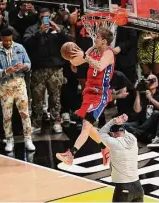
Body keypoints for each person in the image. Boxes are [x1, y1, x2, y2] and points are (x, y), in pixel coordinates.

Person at [56, 27, 114, 165]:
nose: (95, 38)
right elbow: (76, 62)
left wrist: (85, 56)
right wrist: (70, 56)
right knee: (87, 127)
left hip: (100, 94)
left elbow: (100, 66)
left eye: (98, 37)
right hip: (89, 92)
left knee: (86, 126)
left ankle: (71, 155)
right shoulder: (94, 50)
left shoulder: (109, 53)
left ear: (104, 41)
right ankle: (105, 148)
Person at [23, 8, 72, 133]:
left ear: (51, 17)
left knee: (55, 97)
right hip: (38, 69)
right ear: (39, 17)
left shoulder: (58, 27)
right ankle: (36, 123)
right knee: (37, 98)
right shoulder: (32, 29)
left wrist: (59, 30)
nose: (45, 19)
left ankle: (56, 121)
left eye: (47, 17)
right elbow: (26, 44)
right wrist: (39, 33)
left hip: (55, 69)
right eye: (42, 17)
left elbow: (69, 42)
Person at [0, 27, 35, 152]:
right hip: (5, 86)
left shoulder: (19, 48)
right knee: (7, 116)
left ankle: (28, 139)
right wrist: (6, 71)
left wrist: (24, 66)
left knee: (25, 113)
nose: (8, 43)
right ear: (1, 39)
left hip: (20, 84)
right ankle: (9, 140)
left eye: (10, 40)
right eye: (6, 41)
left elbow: (29, 63)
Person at [98, 114, 144, 202]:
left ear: (112, 134)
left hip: (123, 188)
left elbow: (101, 133)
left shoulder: (114, 143)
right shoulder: (133, 139)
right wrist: (121, 121)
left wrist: (114, 121)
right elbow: (123, 132)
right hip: (138, 187)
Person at [124, 74, 159, 142]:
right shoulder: (143, 94)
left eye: (153, 80)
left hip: (154, 124)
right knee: (123, 125)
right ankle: (141, 133)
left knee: (156, 113)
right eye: (149, 81)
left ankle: (137, 132)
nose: (151, 82)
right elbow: (137, 110)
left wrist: (150, 98)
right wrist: (137, 92)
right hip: (142, 123)